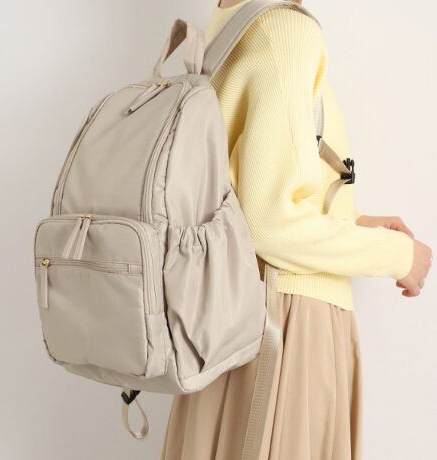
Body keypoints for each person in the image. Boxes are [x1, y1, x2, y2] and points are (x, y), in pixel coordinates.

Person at [161, 1, 433, 459]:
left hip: (225, 325)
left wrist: (351, 220)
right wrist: (398, 256)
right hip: (287, 324)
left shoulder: (230, 20)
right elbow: (268, 224)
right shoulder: (285, 31)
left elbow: (243, 192)